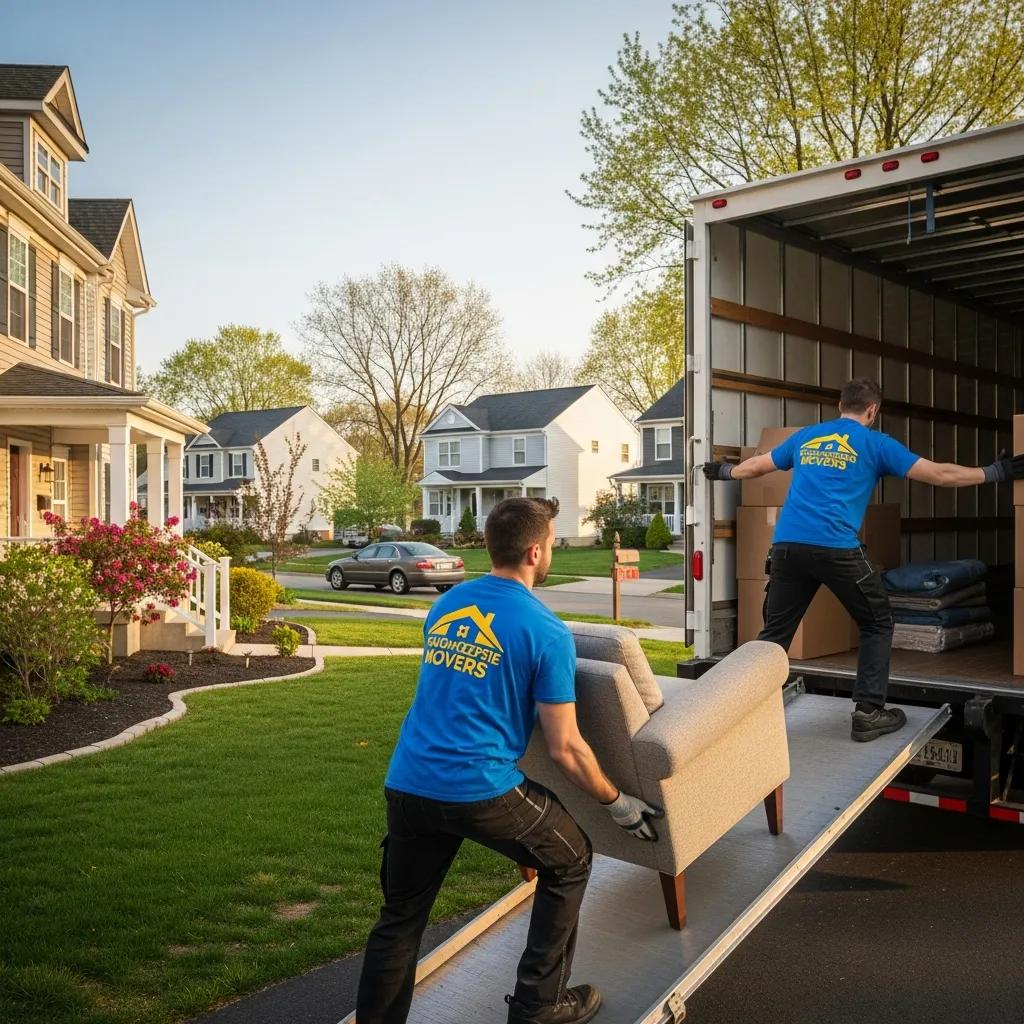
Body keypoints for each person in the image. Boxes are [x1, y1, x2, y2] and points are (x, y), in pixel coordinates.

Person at [356, 496, 663, 1024]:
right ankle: (537, 1007)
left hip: (408, 783)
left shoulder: (448, 606)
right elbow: (565, 746)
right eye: (549, 548)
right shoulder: (546, 630)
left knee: (400, 919)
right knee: (570, 861)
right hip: (481, 789)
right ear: (534, 551)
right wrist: (619, 804)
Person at [703, 378, 1024, 742]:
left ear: (840, 405)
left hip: (788, 547)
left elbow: (759, 465)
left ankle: (747, 712)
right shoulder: (875, 443)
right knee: (877, 623)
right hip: (836, 548)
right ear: (873, 410)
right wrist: (994, 472)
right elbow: (939, 474)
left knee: (773, 636)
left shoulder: (808, 436)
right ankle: (869, 712)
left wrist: (723, 472)